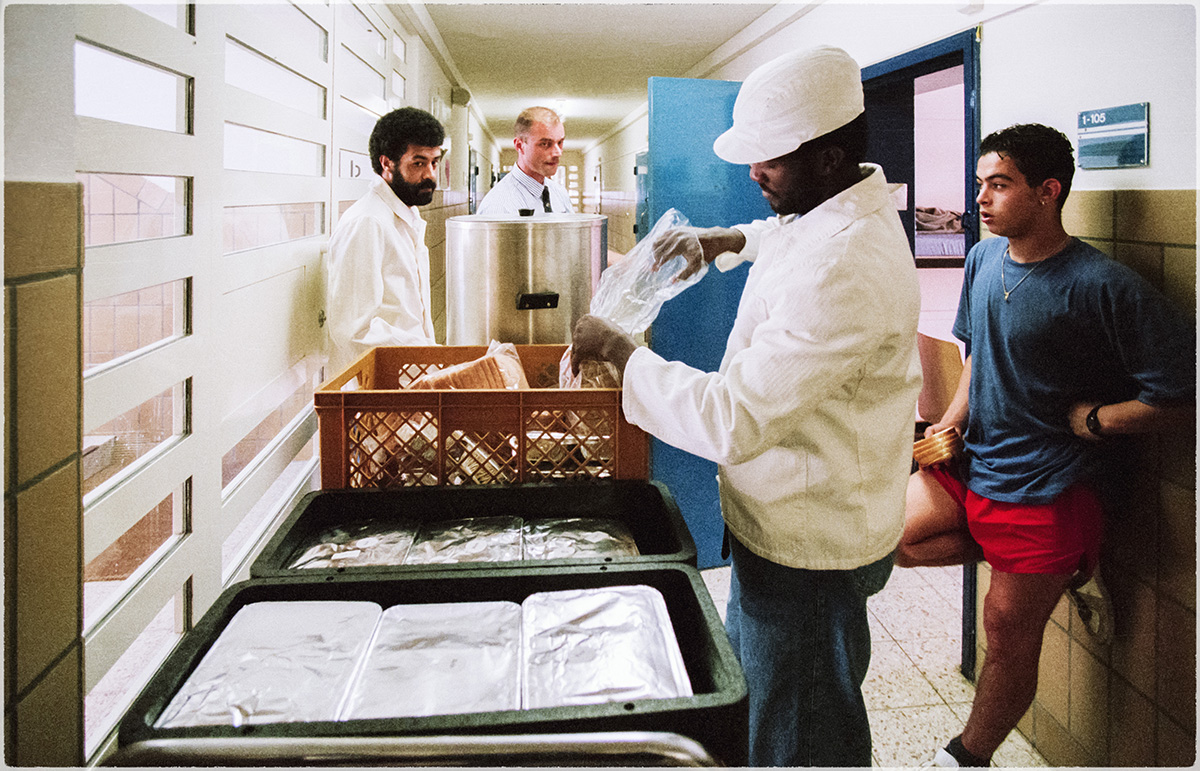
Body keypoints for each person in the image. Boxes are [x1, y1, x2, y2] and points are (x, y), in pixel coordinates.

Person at [570, 46, 921, 767]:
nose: (753, 173)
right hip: (789, 518)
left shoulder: (846, 266)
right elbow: (789, 235)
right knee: (770, 698)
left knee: (801, 733)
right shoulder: (834, 204)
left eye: (769, 160)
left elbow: (734, 418)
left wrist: (621, 352)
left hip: (811, 544)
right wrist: (728, 239)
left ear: (827, 158)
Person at [893, 124, 1195, 768]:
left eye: (999, 185)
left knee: (1005, 636)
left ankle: (965, 757)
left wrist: (1098, 421)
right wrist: (950, 423)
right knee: (888, 539)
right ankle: (1060, 566)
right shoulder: (983, 259)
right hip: (976, 462)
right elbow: (978, 355)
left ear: (1047, 192)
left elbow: (1183, 393)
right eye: (980, 183)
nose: (981, 198)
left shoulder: (1101, 284)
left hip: (1047, 486)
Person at [325, 107, 445, 372]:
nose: (430, 175)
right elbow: (354, 329)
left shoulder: (406, 216)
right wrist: (427, 357)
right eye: (418, 163)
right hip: (379, 384)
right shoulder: (368, 222)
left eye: (434, 162)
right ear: (386, 163)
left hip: (412, 376)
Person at [476, 106, 574, 215]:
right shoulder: (499, 207)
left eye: (560, 142)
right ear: (519, 145)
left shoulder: (560, 194)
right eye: (545, 144)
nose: (558, 153)